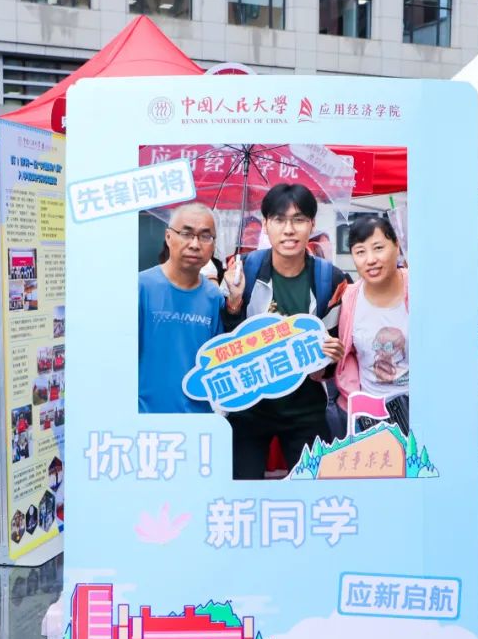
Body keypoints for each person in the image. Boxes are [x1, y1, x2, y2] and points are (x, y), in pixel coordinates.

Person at [223, 183, 349, 479]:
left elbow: (333, 346)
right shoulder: (243, 271)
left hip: (306, 410)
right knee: (240, 489)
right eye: (279, 220)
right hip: (248, 408)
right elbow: (224, 341)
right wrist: (234, 302)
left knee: (313, 492)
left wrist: (331, 358)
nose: (289, 230)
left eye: (299, 220)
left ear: (312, 225)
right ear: (266, 224)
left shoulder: (330, 279)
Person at [139, 203, 225, 413]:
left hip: (199, 420)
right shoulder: (140, 287)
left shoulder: (214, 297)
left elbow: (217, 362)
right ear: (168, 237)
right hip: (144, 419)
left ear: (213, 244)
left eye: (205, 236)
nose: (195, 244)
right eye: (186, 234)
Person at [334, 215, 409, 434]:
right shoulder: (349, 297)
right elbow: (346, 354)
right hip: (371, 415)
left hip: (423, 406)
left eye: (378, 248)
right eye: (360, 252)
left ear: (397, 246)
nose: (371, 259)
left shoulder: (419, 287)